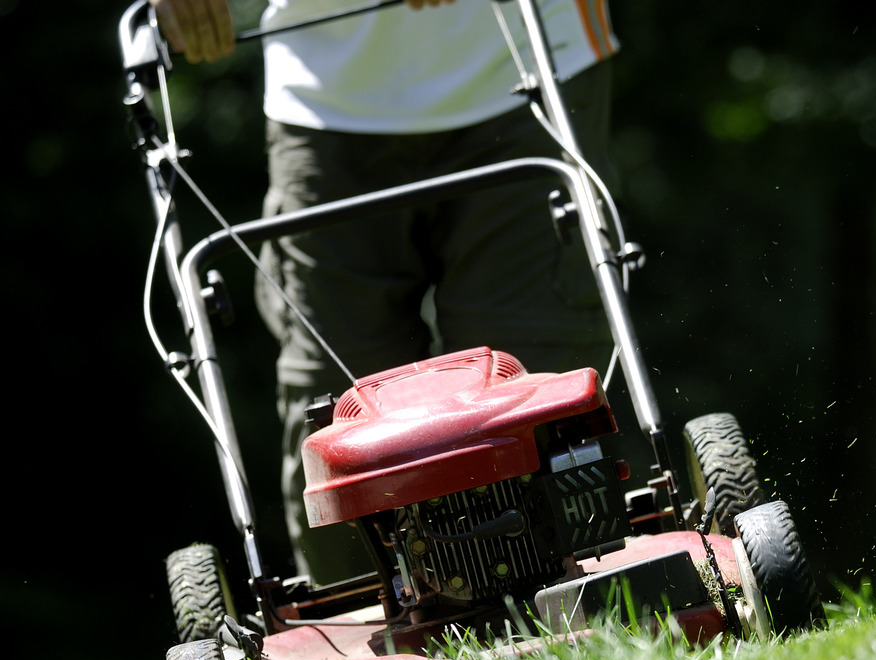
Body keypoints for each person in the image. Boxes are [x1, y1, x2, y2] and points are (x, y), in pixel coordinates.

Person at [150, 0, 619, 585]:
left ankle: (593, 592)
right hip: (322, 96)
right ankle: (369, 634)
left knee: (540, 389)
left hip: (523, 61)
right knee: (332, 412)